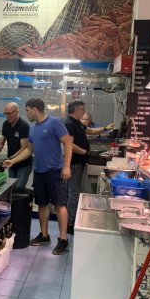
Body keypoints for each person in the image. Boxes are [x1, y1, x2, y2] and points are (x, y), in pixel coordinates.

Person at [3, 98, 72, 255]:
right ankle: (44, 235)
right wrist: (13, 161)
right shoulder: (33, 129)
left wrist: (67, 166)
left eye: (27, 110)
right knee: (42, 204)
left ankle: (63, 240)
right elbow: (29, 150)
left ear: (34, 109)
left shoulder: (54, 123)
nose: (26, 113)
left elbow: (68, 143)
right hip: (39, 171)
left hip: (55, 171)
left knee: (60, 205)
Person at [0, 102, 33, 191]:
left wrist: (10, 159)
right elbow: (1, 143)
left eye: (10, 114)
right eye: (5, 114)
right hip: (12, 165)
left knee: (18, 188)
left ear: (17, 112)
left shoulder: (23, 126)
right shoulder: (6, 124)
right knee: (11, 189)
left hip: (24, 165)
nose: (7, 116)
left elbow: (24, 148)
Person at [64, 100, 90, 234]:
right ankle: (70, 223)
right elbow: (69, 144)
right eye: (83, 109)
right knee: (73, 193)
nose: (84, 112)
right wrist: (85, 152)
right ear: (76, 110)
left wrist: (105, 129)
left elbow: (90, 130)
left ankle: (72, 221)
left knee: (74, 192)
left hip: (79, 163)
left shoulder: (77, 123)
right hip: (74, 163)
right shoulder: (69, 124)